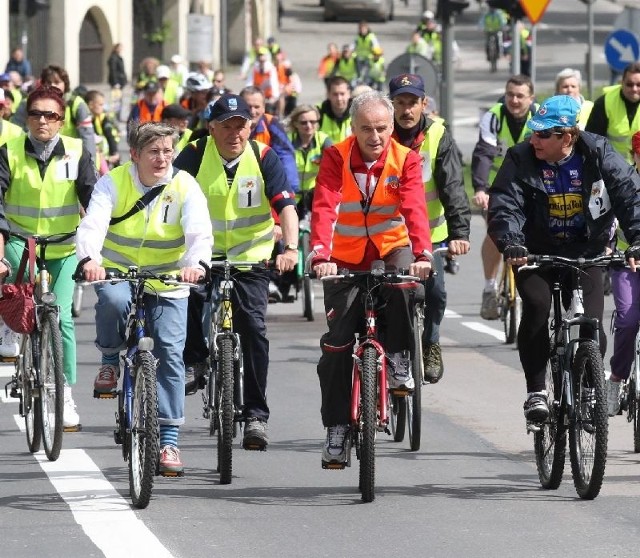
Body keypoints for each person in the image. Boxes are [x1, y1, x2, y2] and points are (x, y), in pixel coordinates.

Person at [487, 95, 640, 423]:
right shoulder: (521, 158)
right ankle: (536, 392)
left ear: (567, 137)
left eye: (543, 134)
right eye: (533, 132)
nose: (534, 140)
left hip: (588, 250)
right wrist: (512, 242)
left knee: (593, 324)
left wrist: (638, 237)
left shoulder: (598, 153)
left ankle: (588, 387)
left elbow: (629, 194)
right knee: (539, 306)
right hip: (534, 250)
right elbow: (504, 203)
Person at [77, 121, 212, 475]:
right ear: (134, 155)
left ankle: (168, 441)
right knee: (114, 302)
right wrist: (90, 259)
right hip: (118, 271)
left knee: (169, 352)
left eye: (168, 151)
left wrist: (196, 264)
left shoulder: (184, 184)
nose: (162, 158)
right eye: (154, 151)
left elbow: (199, 230)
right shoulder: (113, 182)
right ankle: (109, 358)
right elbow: (93, 224)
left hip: (169, 279)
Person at [310, 90, 433, 467]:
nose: (375, 137)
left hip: (390, 247)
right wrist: (319, 254)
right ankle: (336, 429)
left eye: (381, 128)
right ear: (353, 129)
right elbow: (325, 204)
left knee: (404, 287)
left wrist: (423, 252)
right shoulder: (335, 156)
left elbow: (413, 206)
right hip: (343, 257)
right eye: (366, 129)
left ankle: (397, 357)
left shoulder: (406, 159)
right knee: (336, 346)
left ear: (391, 126)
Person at [174, 93, 298, 450]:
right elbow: (170, 196)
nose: (234, 133)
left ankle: (256, 414)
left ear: (251, 127)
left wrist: (289, 248)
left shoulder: (263, 156)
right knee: (189, 299)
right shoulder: (195, 155)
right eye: (226, 126)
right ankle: (195, 361)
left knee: (254, 328)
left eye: (241, 125)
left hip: (251, 257)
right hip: (202, 254)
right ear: (211, 128)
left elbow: (286, 207)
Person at [0, 84, 97, 430]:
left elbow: (93, 199)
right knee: (16, 298)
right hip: (19, 242)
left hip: (64, 246)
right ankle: (11, 330)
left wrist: (96, 246)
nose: (43, 120)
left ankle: (64, 391)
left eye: (51, 115)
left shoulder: (76, 151)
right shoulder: (8, 151)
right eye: (36, 114)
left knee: (63, 319)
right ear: (27, 118)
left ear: (61, 120)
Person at [389, 73, 470, 384]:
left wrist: (460, 234)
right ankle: (385, 352)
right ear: (392, 104)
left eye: (413, 103)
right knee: (387, 295)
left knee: (434, 292)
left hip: (431, 235)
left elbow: (452, 186)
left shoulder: (437, 135)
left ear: (424, 104)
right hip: (389, 234)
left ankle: (431, 342)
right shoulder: (382, 133)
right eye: (400, 103)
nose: (407, 110)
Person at [471, 74, 537, 320]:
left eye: (520, 96)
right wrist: (480, 188)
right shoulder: (494, 116)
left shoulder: (539, 117)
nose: (515, 100)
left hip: (530, 185)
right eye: (510, 94)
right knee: (494, 233)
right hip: (497, 185)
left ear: (531, 98)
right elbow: (484, 154)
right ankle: (490, 288)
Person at [607, 129, 640, 416]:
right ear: (634, 156)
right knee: (628, 321)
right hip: (625, 265)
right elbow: (606, 218)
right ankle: (617, 378)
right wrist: (606, 246)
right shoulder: (622, 182)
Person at [37, 65, 97, 166]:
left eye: (57, 82)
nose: (52, 85)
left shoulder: (77, 104)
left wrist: (90, 165)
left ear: (65, 83)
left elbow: (87, 137)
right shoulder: (35, 103)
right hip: (42, 156)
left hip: (70, 158)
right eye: (48, 82)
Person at [585, 62, 640, 163]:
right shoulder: (605, 103)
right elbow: (592, 141)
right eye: (629, 84)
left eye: (639, 85)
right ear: (622, 83)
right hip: (613, 169)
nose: (634, 89)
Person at [85, 90, 120, 173]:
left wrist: (113, 152)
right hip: (97, 157)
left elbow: (110, 135)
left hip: (103, 157)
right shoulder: (86, 120)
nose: (102, 107)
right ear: (91, 105)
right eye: (100, 104)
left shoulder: (100, 117)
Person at [317, 76, 352, 144]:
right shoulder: (317, 113)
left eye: (342, 94)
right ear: (328, 95)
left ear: (349, 94)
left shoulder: (358, 112)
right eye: (335, 94)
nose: (339, 98)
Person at [246, 48, 280, 114]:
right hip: (257, 94)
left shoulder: (271, 68)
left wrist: (274, 96)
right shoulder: (255, 68)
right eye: (259, 55)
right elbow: (249, 82)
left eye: (262, 55)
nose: (261, 57)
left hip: (268, 96)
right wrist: (248, 93)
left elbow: (274, 83)